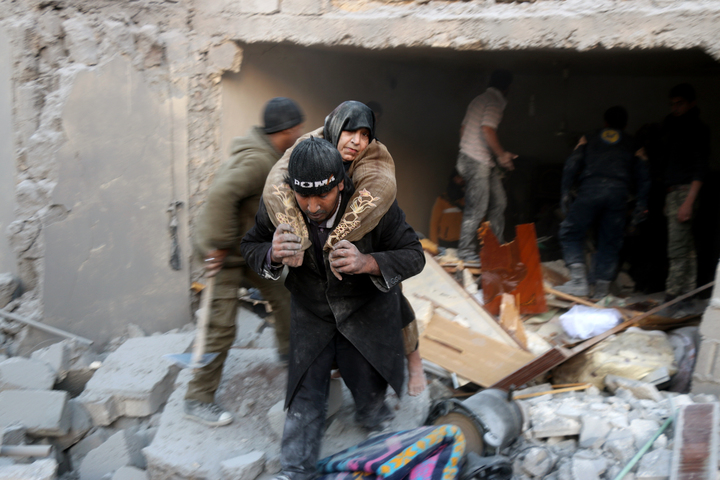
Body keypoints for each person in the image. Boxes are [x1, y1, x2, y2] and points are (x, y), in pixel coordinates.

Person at [241, 137, 425, 480]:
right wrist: (272, 253)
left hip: (363, 311)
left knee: (369, 391)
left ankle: (372, 416)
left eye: (322, 194)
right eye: (303, 195)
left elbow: (414, 255)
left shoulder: (374, 207)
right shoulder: (279, 208)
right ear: (291, 188)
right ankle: (296, 470)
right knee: (305, 395)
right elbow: (250, 244)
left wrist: (367, 261)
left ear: (341, 184)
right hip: (312, 313)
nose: (311, 206)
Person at [262, 100, 427, 396]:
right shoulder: (311, 149)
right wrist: (299, 237)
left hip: (367, 235)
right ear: (335, 128)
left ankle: (414, 363)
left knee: (392, 299)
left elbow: (379, 195)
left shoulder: (375, 163)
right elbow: (278, 180)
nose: (357, 141)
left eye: (365, 134)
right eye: (350, 131)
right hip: (323, 243)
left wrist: (363, 257)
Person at [184, 97, 304, 427]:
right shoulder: (257, 162)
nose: (301, 132)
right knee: (220, 328)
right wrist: (217, 245)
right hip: (223, 254)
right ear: (288, 130)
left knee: (284, 291)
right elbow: (222, 194)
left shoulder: (270, 155)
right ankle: (197, 398)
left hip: (246, 250)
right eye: (298, 128)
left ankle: (288, 353)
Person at [556, 106, 650, 299]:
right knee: (611, 241)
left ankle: (579, 283)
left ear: (605, 123)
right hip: (618, 194)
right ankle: (601, 291)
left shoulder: (588, 137)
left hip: (590, 190)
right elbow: (644, 175)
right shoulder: (634, 143)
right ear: (625, 125)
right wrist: (642, 203)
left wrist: (565, 191)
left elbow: (572, 163)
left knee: (571, 233)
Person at [456, 69, 517, 264]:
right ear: (508, 87)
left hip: (478, 160)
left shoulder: (478, 99)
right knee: (476, 209)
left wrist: (469, 150)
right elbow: (487, 128)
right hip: (477, 161)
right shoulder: (495, 101)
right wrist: (502, 156)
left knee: (499, 202)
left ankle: (495, 248)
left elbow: (464, 129)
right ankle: (465, 252)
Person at [659, 83, 710, 304]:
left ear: (692, 103)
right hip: (675, 193)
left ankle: (672, 298)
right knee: (687, 249)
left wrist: (688, 201)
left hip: (685, 192)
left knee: (678, 249)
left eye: (680, 103)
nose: (675, 108)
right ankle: (688, 296)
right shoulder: (674, 128)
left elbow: (701, 168)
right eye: (672, 104)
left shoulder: (696, 129)